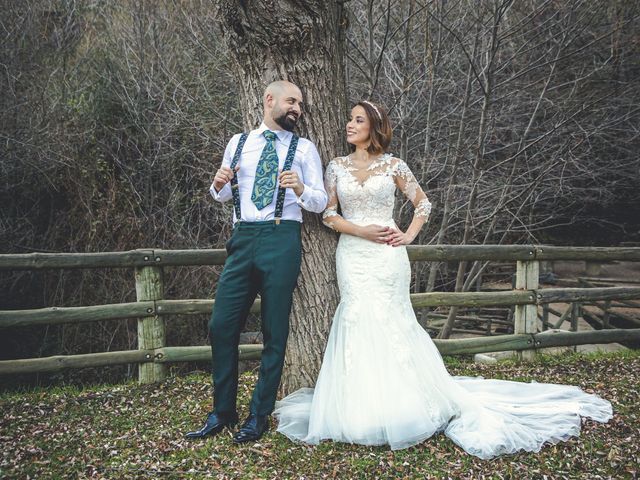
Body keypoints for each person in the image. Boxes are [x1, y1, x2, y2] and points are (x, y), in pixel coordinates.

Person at [273, 100, 612, 458]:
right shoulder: (336, 166)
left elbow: (423, 204)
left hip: (388, 255)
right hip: (353, 253)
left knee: (392, 320)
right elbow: (328, 215)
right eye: (349, 118)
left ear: (374, 126)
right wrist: (360, 231)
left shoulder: (394, 165)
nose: (349, 124)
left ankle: (404, 406)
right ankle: (362, 409)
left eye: (358, 120)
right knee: (357, 318)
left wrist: (407, 235)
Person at [185, 81, 328, 444]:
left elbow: (320, 201)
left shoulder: (304, 148)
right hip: (243, 238)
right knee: (221, 326)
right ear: (270, 100)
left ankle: (258, 415)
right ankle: (222, 412)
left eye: (300, 103)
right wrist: (218, 185)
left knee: (273, 332)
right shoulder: (238, 143)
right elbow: (223, 195)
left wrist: (299, 188)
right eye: (292, 101)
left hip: (282, 239)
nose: (297, 108)